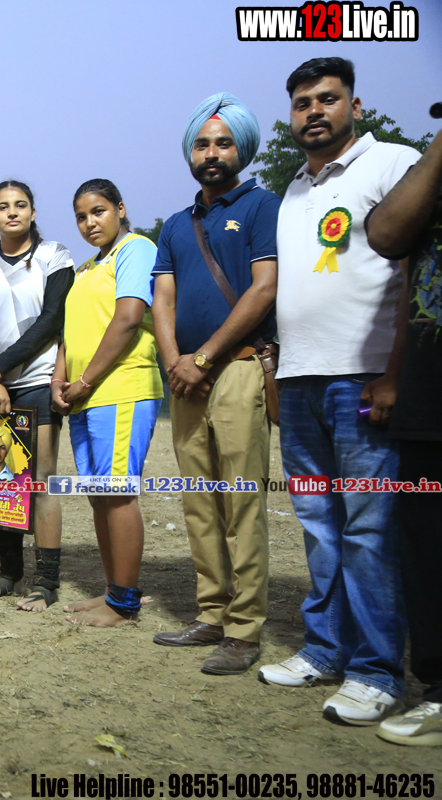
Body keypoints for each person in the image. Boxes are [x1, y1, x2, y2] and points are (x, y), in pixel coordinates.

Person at [256, 57, 418, 728]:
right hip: (300, 380)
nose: (314, 111)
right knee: (319, 526)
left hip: (363, 378)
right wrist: (277, 370)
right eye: (302, 103)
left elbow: (413, 274)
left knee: (369, 529)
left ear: (354, 104)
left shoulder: (394, 165)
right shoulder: (293, 187)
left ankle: (377, 672)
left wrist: (395, 372)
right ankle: (326, 650)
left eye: (327, 98)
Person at [150, 93, 281, 676]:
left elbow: (264, 289)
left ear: (241, 150)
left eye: (223, 143)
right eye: (202, 144)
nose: (211, 153)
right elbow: (163, 299)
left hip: (239, 370)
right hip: (185, 379)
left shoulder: (262, 207)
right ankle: (210, 613)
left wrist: (201, 359)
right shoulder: (177, 224)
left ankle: (245, 629)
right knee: (199, 502)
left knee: (242, 503)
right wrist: (175, 362)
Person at [51, 179, 163, 628]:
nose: (89, 223)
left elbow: (129, 318)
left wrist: (85, 381)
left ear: (119, 208)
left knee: (117, 494)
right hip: (85, 396)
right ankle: (113, 590)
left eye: (98, 211)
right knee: (100, 497)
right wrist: (59, 379)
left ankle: (125, 602)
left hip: (121, 388)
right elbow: (69, 333)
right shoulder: (85, 268)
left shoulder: (136, 249)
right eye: (81, 216)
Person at [0, 179, 72, 609]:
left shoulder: (55, 256)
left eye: (21, 205)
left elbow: (51, 320)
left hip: (38, 382)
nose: (12, 212)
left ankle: (46, 583)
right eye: (3, 206)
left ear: (33, 212)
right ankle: (9, 575)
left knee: (41, 482)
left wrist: (0, 367)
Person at [367, 116, 442, 747]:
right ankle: (437, 689)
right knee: (423, 539)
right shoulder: (427, 175)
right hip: (427, 388)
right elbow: (387, 236)